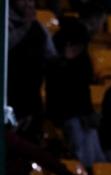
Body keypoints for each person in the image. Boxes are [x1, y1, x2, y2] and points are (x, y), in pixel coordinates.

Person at [45, 14, 105, 173]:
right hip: (66, 114)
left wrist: (88, 113)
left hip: (80, 113)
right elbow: (65, 92)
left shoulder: (81, 61)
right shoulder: (59, 66)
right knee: (79, 144)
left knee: (94, 147)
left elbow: (82, 89)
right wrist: (85, 113)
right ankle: (83, 172)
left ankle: (94, 172)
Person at [8, 0, 57, 143]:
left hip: (32, 97)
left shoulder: (39, 28)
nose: (28, 4)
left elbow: (51, 55)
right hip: (11, 94)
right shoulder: (6, 22)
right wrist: (25, 26)